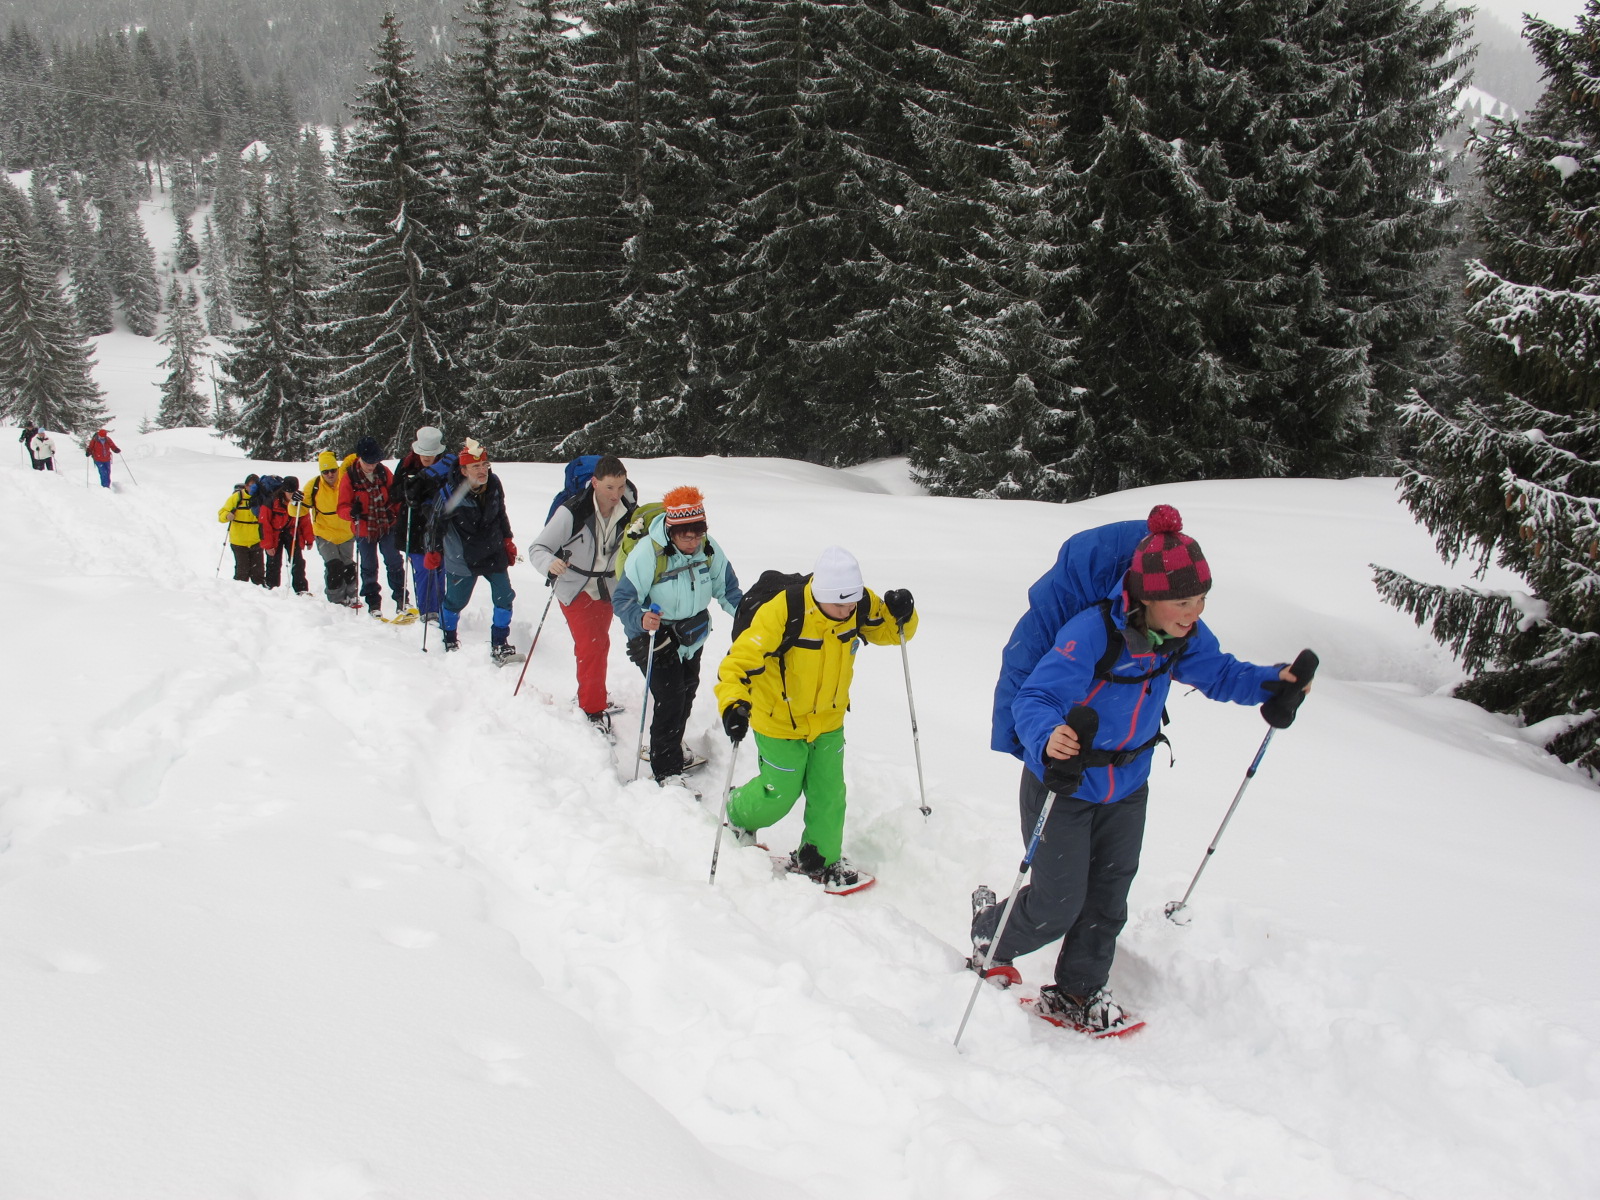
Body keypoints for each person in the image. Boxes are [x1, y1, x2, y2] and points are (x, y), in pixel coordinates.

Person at [970, 505, 1307, 1036]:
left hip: (1128, 785)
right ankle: (991, 935)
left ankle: (1076, 994)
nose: (1193, 611)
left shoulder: (1181, 637)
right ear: (1146, 595)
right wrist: (1047, 741)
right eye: (1182, 600)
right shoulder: (1090, 633)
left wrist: (1274, 683)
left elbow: (1219, 673)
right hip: (1065, 783)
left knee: (1107, 897)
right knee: (1059, 901)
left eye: (1200, 599)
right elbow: (1035, 697)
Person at [714, 546, 914, 894]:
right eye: (839, 605)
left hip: (828, 720)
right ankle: (740, 810)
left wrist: (904, 614)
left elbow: (892, 632)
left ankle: (818, 858)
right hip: (779, 720)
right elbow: (738, 661)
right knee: (781, 793)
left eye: (851, 603)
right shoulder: (784, 613)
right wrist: (732, 704)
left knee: (829, 793)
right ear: (820, 596)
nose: (847, 611)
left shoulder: (857, 604)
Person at [613, 487, 742, 788]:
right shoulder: (649, 553)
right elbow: (623, 599)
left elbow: (729, 590)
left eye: (698, 535)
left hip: (692, 637)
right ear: (672, 530)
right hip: (655, 638)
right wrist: (641, 622)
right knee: (670, 700)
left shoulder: (708, 549)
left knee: (686, 693)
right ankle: (667, 769)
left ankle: (671, 745)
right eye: (687, 536)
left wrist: (753, 620)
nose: (693, 542)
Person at [528, 455, 637, 731]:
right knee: (592, 646)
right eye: (610, 487)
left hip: (608, 586)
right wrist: (549, 564)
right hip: (574, 585)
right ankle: (592, 712)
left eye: (621, 486)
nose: (616, 494)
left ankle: (593, 694)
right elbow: (537, 548)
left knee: (599, 645)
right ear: (595, 482)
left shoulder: (630, 507)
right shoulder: (572, 511)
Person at [424, 439, 518, 662]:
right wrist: (432, 550)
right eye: (476, 466)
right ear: (463, 469)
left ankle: (500, 642)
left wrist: (507, 539)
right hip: (462, 556)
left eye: (485, 464)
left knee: (504, 596)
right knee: (456, 602)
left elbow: (501, 513)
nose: (482, 470)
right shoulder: (450, 493)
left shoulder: (494, 484)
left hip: (493, 550)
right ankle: (449, 637)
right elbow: (435, 524)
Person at [338, 435, 406, 618]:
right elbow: (341, 507)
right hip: (363, 527)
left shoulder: (384, 472)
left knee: (394, 561)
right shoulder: (349, 477)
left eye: (374, 461)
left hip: (387, 524)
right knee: (368, 565)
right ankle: (373, 602)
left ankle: (402, 598)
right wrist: (352, 512)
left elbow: (395, 496)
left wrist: (399, 511)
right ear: (360, 458)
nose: (371, 465)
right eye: (368, 462)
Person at [394, 426, 451, 623]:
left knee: (439, 568)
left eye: (431, 454)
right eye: (424, 454)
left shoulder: (446, 466)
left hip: (439, 526)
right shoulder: (406, 465)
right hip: (414, 526)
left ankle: (441, 608)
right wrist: (407, 493)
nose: (427, 458)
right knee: (423, 568)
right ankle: (428, 611)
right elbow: (394, 493)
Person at [305, 451, 359, 607]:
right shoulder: (313, 485)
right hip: (324, 533)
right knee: (334, 565)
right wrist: (295, 503)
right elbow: (300, 510)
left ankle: (351, 595)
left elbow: (351, 459)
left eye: (333, 470)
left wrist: (364, 453)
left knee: (348, 566)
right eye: (325, 471)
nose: (330, 474)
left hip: (346, 532)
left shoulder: (345, 480)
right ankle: (336, 599)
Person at [260, 476, 312, 593]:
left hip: (292, 532)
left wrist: (309, 539)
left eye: (293, 491)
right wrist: (267, 545)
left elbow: (305, 520)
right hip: (274, 534)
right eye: (288, 492)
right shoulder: (272, 501)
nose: (291, 494)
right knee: (273, 562)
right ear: (283, 490)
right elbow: (264, 524)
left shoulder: (299, 500)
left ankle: (301, 589)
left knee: (298, 562)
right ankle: (271, 587)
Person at [218, 474, 264, 586]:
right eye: (250, 485)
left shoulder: (261, 498)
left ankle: (259, 596)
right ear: (245, 486)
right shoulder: (237, 497)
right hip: (239, 541)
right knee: (242, 572)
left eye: (255, 485)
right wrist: (227, 515)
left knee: (258, 574)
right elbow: (221, 515)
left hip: (256, 540)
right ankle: (239, 595)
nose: (252, 488)